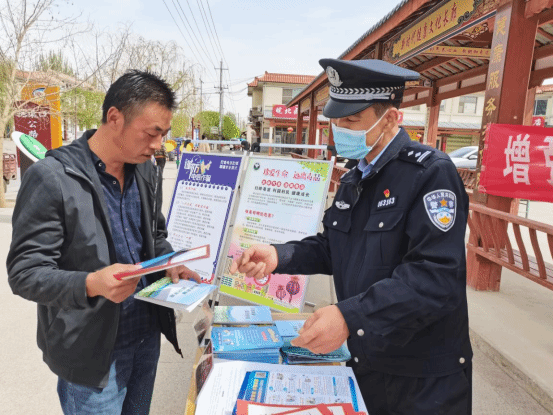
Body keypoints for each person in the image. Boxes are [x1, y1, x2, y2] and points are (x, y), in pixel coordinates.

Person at [231, 58, 472, 414]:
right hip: (365, 359)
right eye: (335, 120)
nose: (339, 130)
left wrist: (349, 317)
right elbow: (333, 246)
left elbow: (434, 276)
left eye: (351, 121)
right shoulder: (354, 178)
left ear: (389, 118)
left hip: (420, 376)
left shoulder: (430, 174)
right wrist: (280, 255)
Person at [7, 70, 201, 415]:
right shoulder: (53, 178)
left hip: (145, 338)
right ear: (115, 118)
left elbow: (154, 235)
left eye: (164, 134)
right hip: (92, 354)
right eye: (151, 133)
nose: (158, 145)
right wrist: (91, 283)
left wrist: (172, 263)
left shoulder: (144, 169)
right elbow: (25, 272)